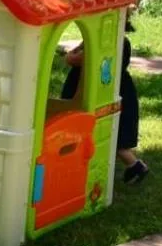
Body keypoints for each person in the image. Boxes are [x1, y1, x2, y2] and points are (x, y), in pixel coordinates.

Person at [61, 20, 148, 184]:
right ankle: (131, 166)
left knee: (116, 139)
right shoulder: (110, 41)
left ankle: (136, 167)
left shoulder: (110, 43)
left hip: (109, 93)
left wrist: (70, 55)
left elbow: (75, 58)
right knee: (108, 135)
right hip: (106, 91)